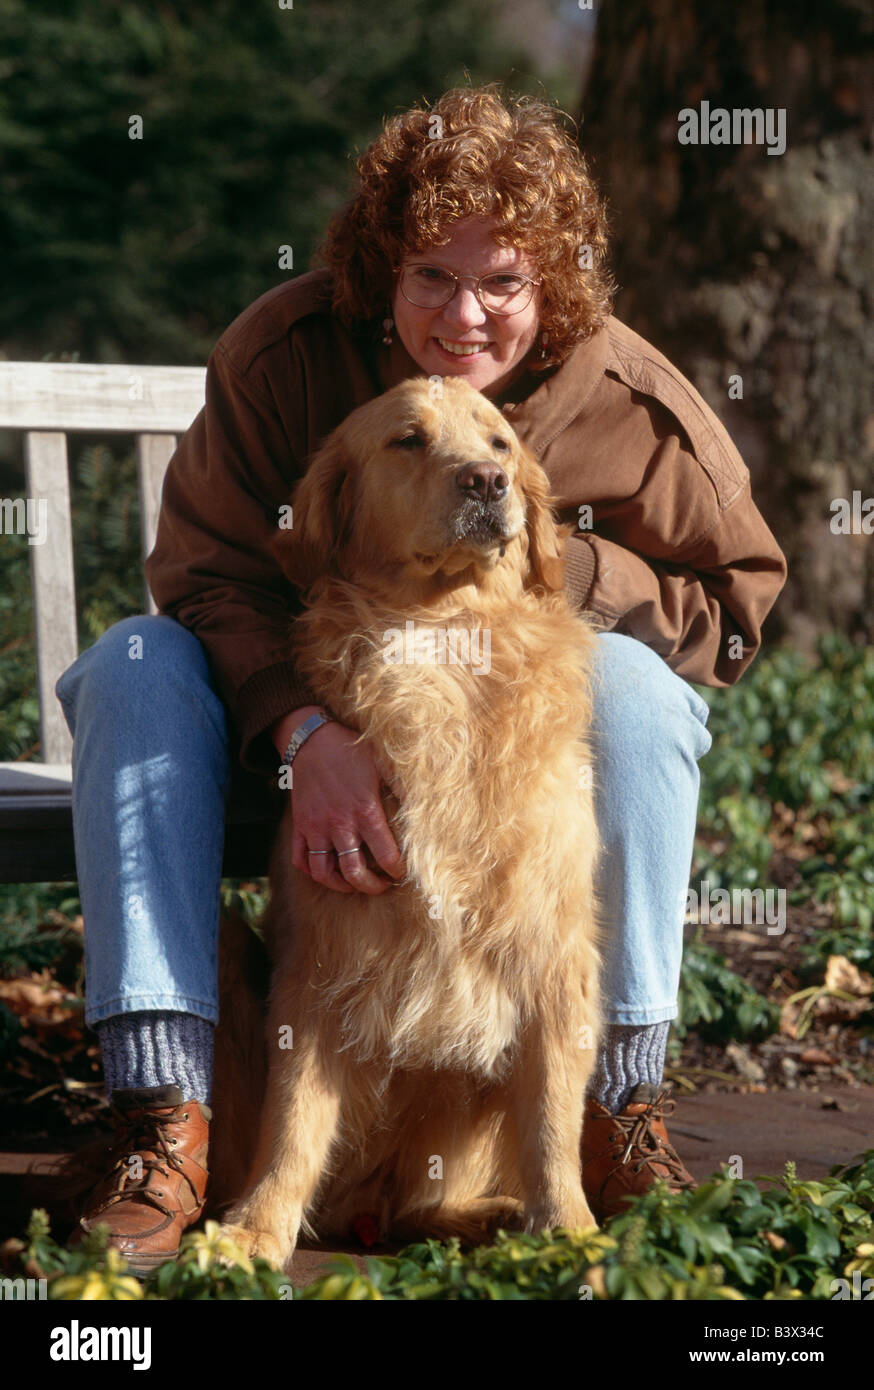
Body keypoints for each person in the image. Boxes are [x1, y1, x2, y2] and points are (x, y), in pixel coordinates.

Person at [55, 84, 787, 1269]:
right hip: (275, 751)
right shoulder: (284, 357)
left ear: (549, 288)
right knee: (132, 661)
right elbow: (199, 577)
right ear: (376, 273)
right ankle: (166, 1118)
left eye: (502, 282)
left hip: (509, 764)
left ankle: (616, 1105)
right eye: (431, 278)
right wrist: (300, 734)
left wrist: (567, 563)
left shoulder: (627, 399)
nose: (465, 315)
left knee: (643, 695)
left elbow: (739, 604)